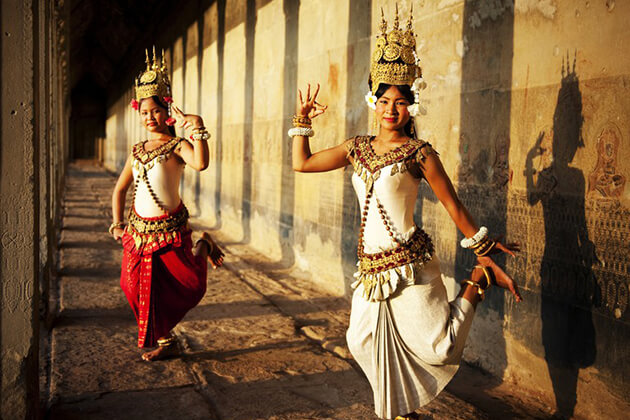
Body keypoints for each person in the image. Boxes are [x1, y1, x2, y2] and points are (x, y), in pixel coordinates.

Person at [290, 8, 522, 420]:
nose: (390, 109)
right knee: (361, 341)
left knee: (440, 348)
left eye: (400, 102)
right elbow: (303, 164)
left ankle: (476, 283)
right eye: (383, 100)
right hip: (370, 271)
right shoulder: (354, 147)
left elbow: (453, 205)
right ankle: (400, 409)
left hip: (411, 265)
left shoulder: (421, 154)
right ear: (372, 102)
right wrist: (301, 122)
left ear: (412, 107)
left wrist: (484, 253)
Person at [110, 48, 224, 362]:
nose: (150, 118)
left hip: (170, 231)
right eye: (145, 113)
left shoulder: (177, 146)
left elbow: (200, 163)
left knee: (188, 286)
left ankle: (203, 247)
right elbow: (120, 189)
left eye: (156, 111)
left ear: (168, 111)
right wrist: (116, 224)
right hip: (137, 232)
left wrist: (197, 126)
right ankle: (165, 339)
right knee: (132, 286)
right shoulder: (136, 150)